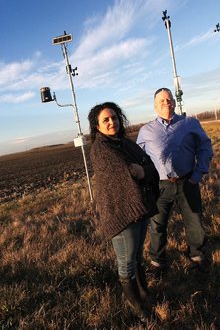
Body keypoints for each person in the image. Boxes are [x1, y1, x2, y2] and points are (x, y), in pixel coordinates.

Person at [88, 102, 159, 321]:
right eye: (106, 120)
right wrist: (139, 170)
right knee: (126, 261)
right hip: (120, 213)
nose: (112, 122)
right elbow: (125, 174)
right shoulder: (100, 149)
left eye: (115, 118)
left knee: (137, 255)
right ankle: (138, 308)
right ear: (97, 126)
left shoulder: (126, 144)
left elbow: (149, 168)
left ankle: (144, 293)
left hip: (139, 207)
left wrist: (142, 170)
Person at [137, 88, 213, 273]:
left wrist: (197, 174)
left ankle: (197, 255)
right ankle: (158, 261)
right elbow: (139, 158)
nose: (166, 102)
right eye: (162, 100)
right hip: (160, 186)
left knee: (194, 220)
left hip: (188, 181)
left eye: (169, 99)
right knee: (157, 225)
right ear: (155, 105)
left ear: (174, 102)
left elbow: (205, 146)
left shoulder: (190, 123)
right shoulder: (146, 131)